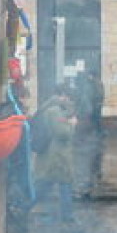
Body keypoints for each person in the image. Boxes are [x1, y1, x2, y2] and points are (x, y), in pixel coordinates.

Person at [32, 85, 78, 224]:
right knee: (58, 185)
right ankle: (67, 218)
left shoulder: (50, 108)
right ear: (62, 95)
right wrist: (72, 124)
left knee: (50, 185)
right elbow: (62, 133)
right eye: (67, 97)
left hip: (53, 156)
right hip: (56, 157)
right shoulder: (54, 111)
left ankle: (66, 217)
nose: (69, 100)